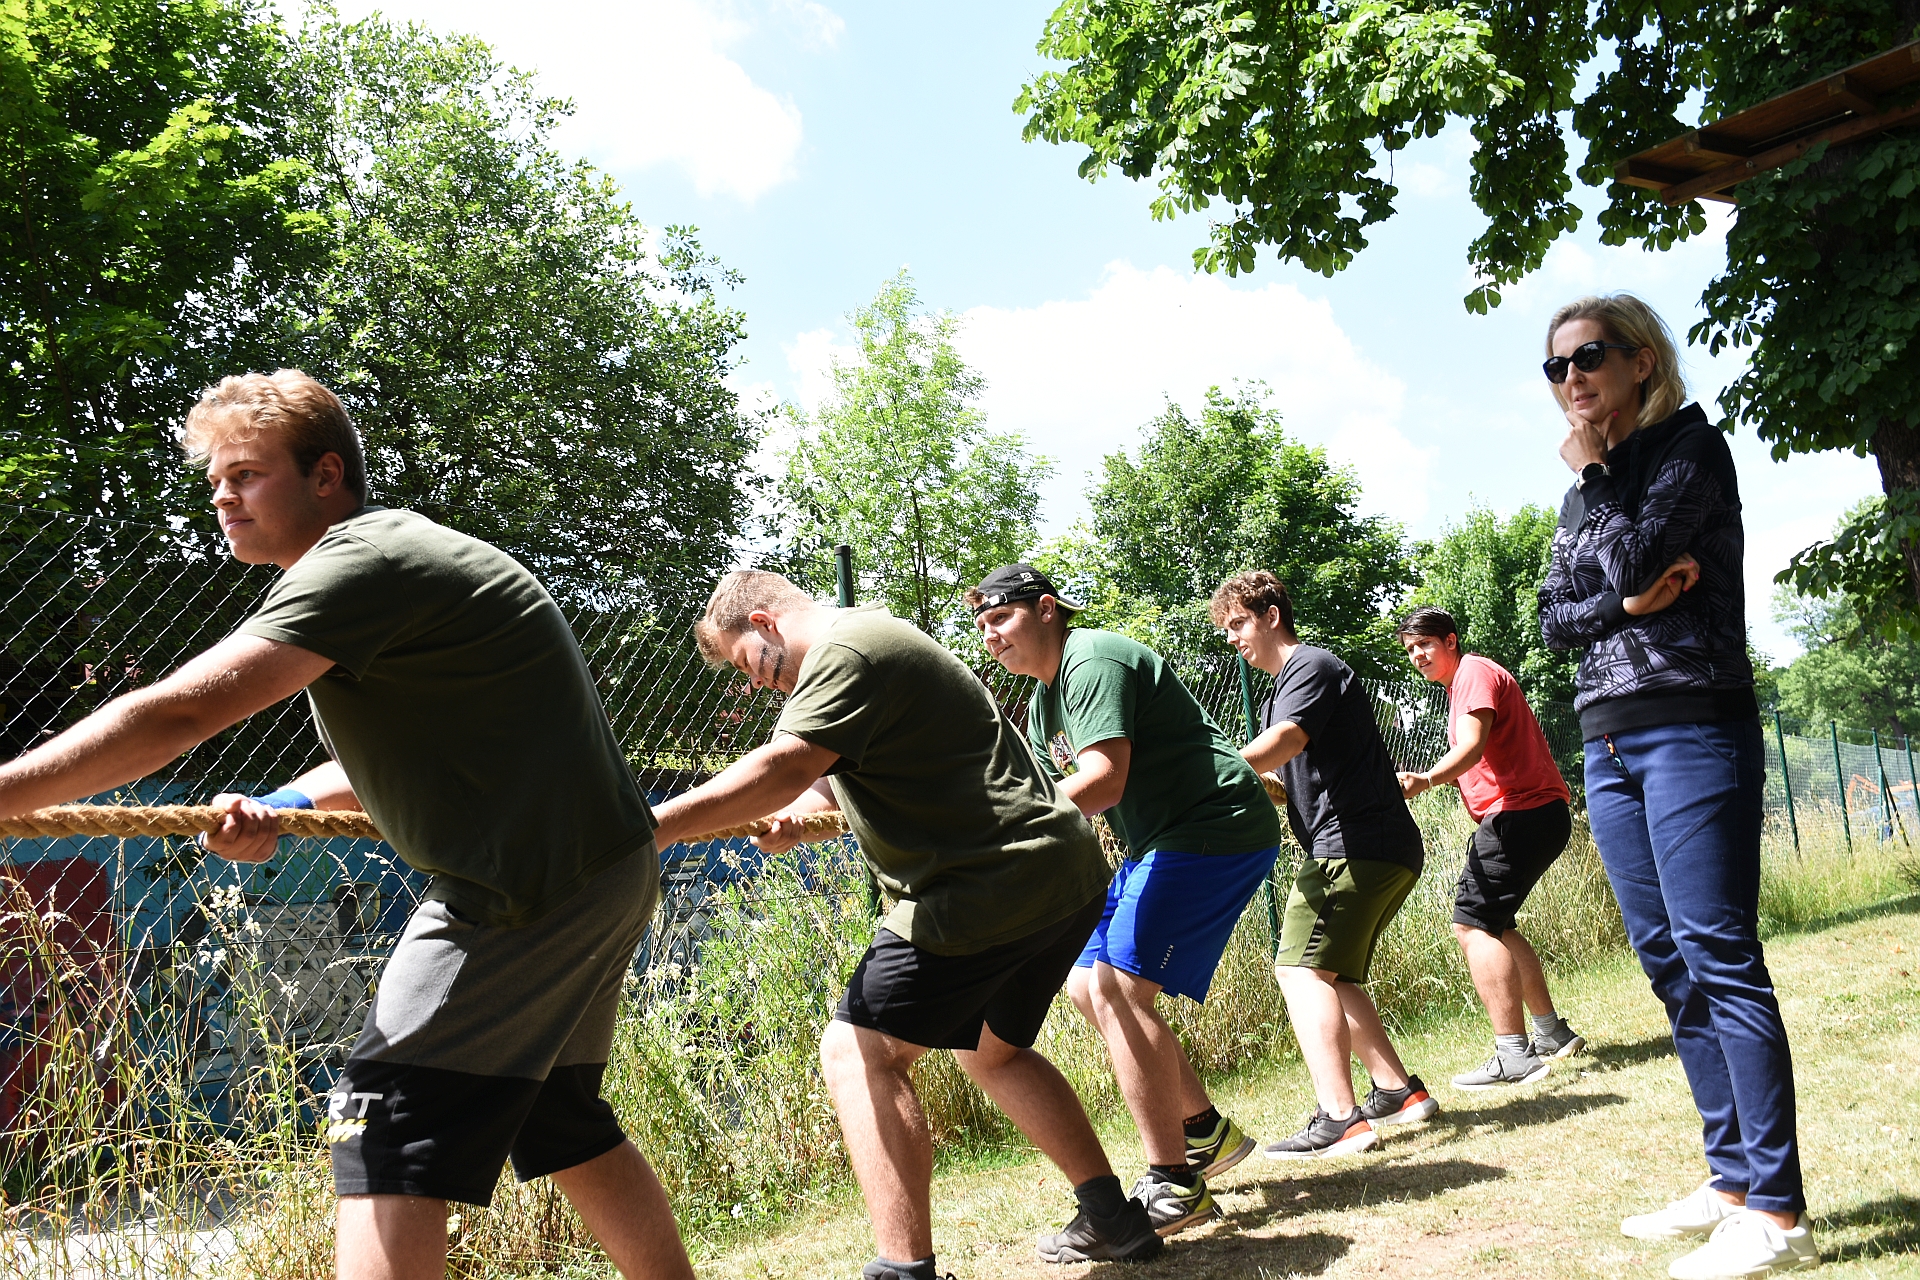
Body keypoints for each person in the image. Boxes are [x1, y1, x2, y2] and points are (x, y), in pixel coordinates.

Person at [0, 371, 692, 1280]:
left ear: (325, 474)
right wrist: (286, 807)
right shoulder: (389, 560)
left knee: (379, 1121)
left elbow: (176, 715)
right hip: (592, 869)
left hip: (523, 886)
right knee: (561, 1122)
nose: (222, 496)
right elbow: (401, 760)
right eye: (216, 480)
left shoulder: (360, 562)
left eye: (246, 474)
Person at [650, 572, 1160, 1279]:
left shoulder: (846, 648)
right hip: (1057, 873)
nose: (758, 682)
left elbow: (786, 762)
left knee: (857, 1051)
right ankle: (1113, 1218)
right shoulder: (865, 644)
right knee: (992, 1051)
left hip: (983, 883)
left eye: (748, 662)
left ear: (764, 621)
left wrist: (652, 826)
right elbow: (817, 778)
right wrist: (795, 816)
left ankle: (903, 1270)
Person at [1538, 294, 1815, 1278]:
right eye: (1556, 367)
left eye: (1589, 357)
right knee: (1667, 960)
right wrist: (1624, 603)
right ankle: (1731, 1178)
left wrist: (1598, 485)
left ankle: (1777, 1210)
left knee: (1718, 953)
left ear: (1642, 360)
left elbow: (1641, 553)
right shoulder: (1585, 491)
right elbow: (1554, 619)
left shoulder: (1689, 450)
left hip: (1693, 722)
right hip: (1606, 741)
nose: (1572, 378)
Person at [969, 563, 1279, 1238]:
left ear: (1046, 609)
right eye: (982, 625)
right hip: (1157, 842)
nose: (989, 635)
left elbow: (1102, 781)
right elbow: (1061, 802)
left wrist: (994, 830)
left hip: (1212, 827)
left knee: (1116, 987)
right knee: (1087, 984)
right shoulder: (1046, 702)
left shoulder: (1092, 659)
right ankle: (1203, 1131)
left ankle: (1175, 1184)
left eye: (1001, 617)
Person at [1209, 571, 1437, 1159]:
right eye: (1227, 629)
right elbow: (1285, 781)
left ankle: (1340, 1119)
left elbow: (1286, 741)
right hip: (1377, 846)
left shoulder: (1309, 666)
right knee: (1333, 975)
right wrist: (1241, 784)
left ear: (1271, 616)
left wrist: (1210, 775)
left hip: (1350, 845)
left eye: (1238, 623)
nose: (1232, 638)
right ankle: (1399, 1093)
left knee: (1299, 972)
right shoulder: (1280, 693)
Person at [1393, 606, 1585, 1089]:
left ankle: (1513, 1055)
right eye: (1411, 649)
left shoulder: (1473, 674)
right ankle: (1551, 1033)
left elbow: (1472, 747)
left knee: (1472, 925)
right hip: (1535, 813)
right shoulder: (1464, 682)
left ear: (1450, 641)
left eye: (1425, 644)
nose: (1418, 655)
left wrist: (1426, 779)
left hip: (1519, 812)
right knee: (1495, 925)